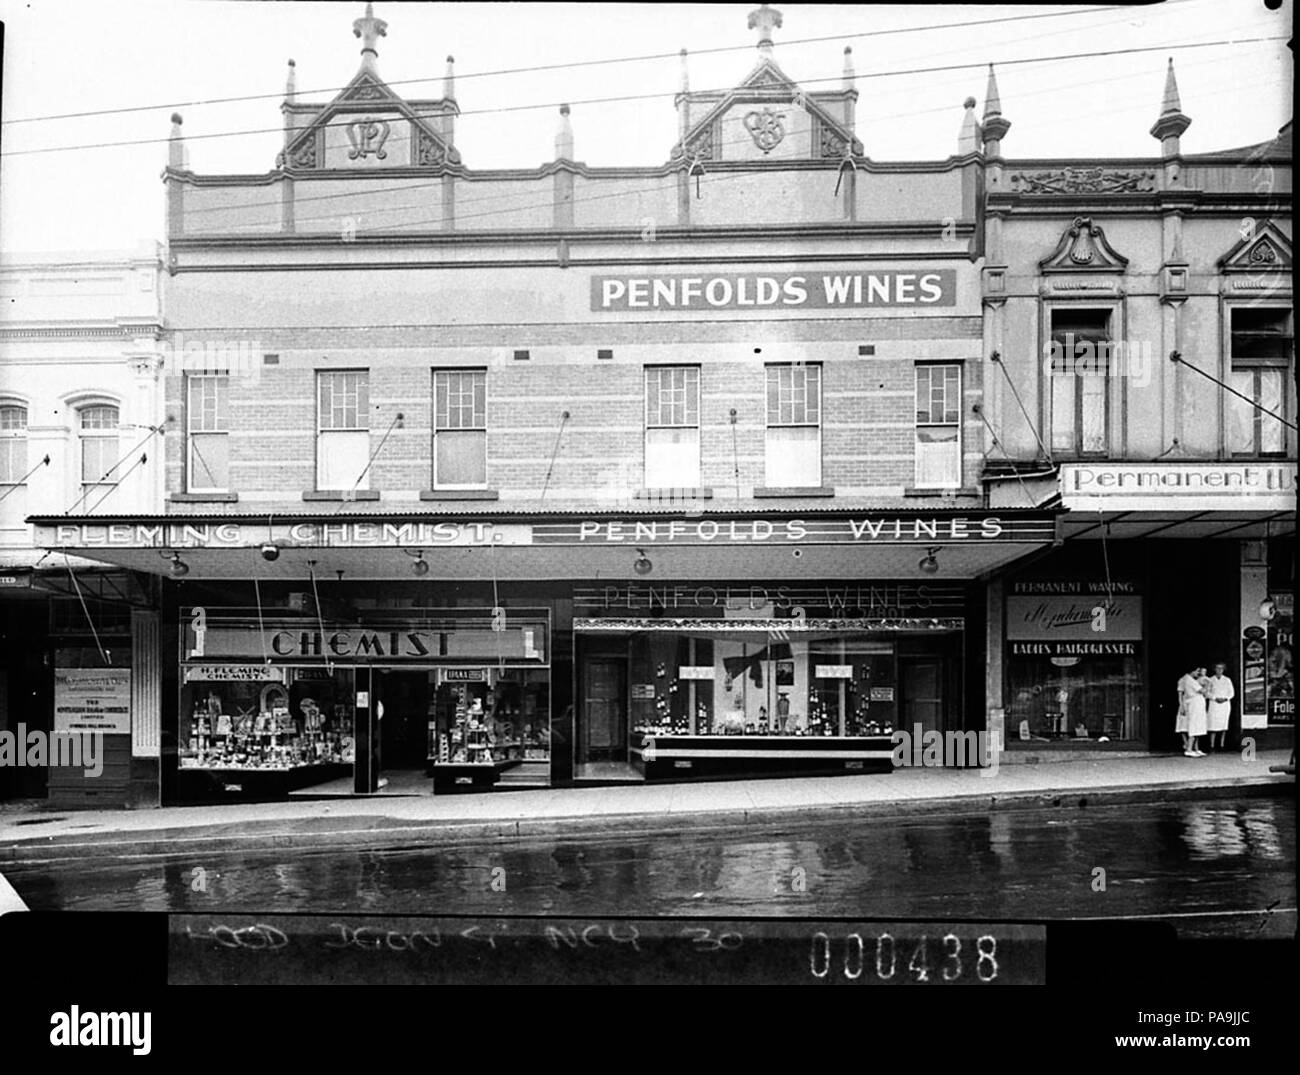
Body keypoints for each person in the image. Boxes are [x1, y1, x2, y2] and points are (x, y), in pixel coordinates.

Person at [1178, 665, 1208, 757]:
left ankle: (1195, 748)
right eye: (1197, 671)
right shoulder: (1189, 680)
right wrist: (1208, 684)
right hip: (1194, 704)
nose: (1198, 673)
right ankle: (1189, 748)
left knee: (1197, 726)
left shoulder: (1191, 680)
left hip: (1197, 704)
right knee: (1194, 726)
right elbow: (1202, 690)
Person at [1206, 662, 1234, 751]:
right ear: (1214, 669)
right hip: (1214, 704)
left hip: (1224, 705)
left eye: (1221, 668)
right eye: (1217, 668)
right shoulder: (1210, 680)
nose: (1219, 670)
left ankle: (1222, 745)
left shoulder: (1227, 680)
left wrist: (1225, 698)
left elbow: (1231, 692)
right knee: (1213, 725)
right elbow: (1206, 693)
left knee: (1223, 725)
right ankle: (1212, 745)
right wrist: (1215, 698)